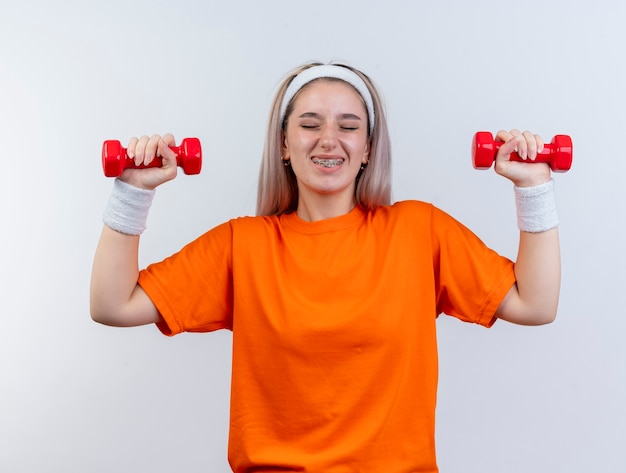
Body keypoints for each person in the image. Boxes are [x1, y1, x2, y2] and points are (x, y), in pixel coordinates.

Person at [90, 61, 561, 472]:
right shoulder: (244, 245)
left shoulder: (420, 231)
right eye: (310, 124)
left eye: (349, 126)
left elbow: (534, 304)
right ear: (284, 145)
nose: (329, 140)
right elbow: (114, 304)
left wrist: (534, 185)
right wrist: (134, 190)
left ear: (370, 148)